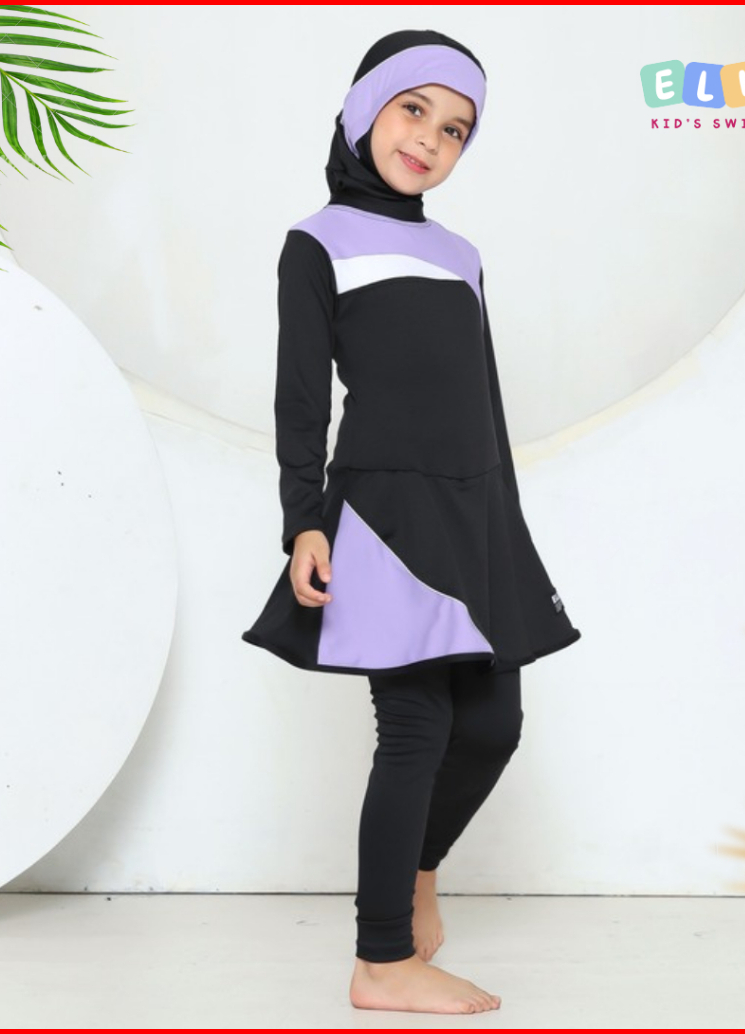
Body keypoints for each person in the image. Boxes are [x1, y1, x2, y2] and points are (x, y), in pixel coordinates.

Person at [241, 29, 582, 1014]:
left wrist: (505, 531)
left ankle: (416, 870)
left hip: (473, 509)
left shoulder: (460, 256)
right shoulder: (318, 243)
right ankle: (381, 958)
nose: (430, 138)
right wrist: (303, 522)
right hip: (382, 514)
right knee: (416, 726)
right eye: (413, 109)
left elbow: (483, 403)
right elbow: (300, 398)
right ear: (366, 110)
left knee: (495, 722)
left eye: (456, 129)